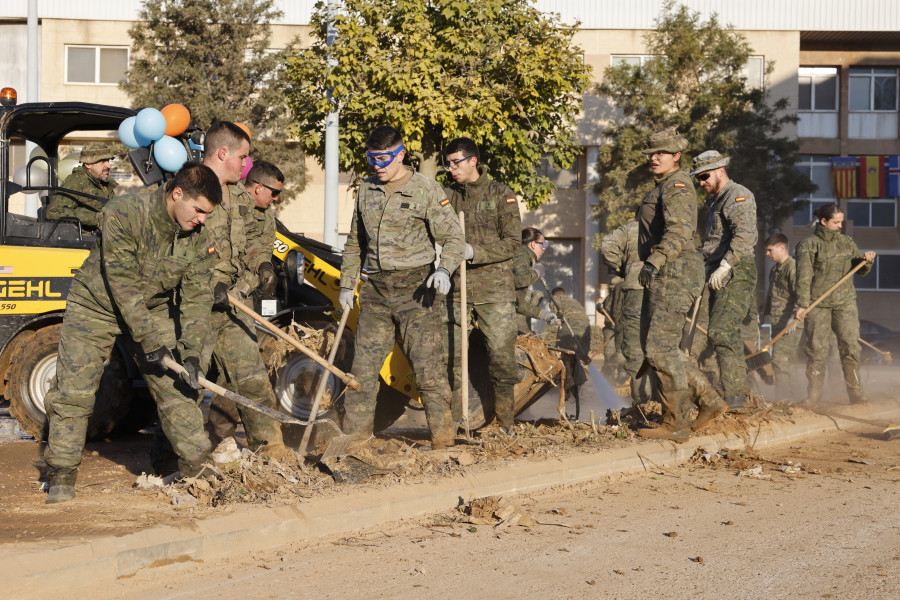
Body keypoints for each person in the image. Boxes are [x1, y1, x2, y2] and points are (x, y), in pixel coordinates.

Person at [43, 163, 222, 504]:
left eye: (207, 214)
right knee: (74, 393)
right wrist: (151, 342)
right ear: (177, 193)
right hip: (96, 305)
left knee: (179, 387)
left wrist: (193, 352)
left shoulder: (200, 238)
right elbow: (123, 286)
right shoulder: (124, 213)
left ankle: (197, 468)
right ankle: (62, 476)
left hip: (152, 309)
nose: (201, 219)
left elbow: (197, 299)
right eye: (198, 210)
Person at [338, 126, 465, 449]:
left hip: (416, 291)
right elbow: (355, 243)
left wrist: (445, 270)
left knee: (428, 371)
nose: (378, 166)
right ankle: (355, 444)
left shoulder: (425, 189)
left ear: (401, 155)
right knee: (361, 375)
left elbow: (453, 238)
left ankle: (443, 442)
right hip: (376, 291)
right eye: (372, 159)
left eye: (384, 159)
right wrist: (346, 285)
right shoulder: (366, 189)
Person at [199, 122, 290, 461]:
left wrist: (261, 264)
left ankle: (272, 449)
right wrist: (209, 284)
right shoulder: (189, 187)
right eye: (243, 157)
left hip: (235, 302)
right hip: (198, 304)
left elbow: (251, 243)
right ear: (224, 153)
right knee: (187, 385)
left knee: (252, 378)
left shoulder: (239, 196)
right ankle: (179, 457)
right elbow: (175, 249)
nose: (246, 164)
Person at [635, 129, 726, 442]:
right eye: (651, 153)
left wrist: (655, 262)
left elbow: (680, 230)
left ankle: (675, 424)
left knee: (658, 349)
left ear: (677, 156)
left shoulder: (675, 184)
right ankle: (710, 401)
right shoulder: (664, 186)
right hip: (672, 270)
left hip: (674, 270)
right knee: (668, 348)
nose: (654, 157)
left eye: (662, 152)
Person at [442, 137, 521, 431]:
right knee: (451, 361)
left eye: (456, 163)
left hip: (494, 291)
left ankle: (505, 426)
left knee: (501, 359)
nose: (451, 169)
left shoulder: (501, 195)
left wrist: (475, 252)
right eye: (448, 164)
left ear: (473, 161)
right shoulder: (445, 196)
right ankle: (454, 427)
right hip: (455, 290)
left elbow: (513, 243)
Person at [692, 150, 758, 413]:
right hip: (715, 271)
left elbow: (744, 236)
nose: (701, 182)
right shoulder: (713, 202)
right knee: (711, 333)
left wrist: (726, 265)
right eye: (698, 178)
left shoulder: (737, 195)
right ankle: (734, 392)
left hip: (736, 270)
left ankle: (737, 397)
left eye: (705, 176)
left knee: (722, 330)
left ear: (720, 170)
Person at [794, 204, 875, 404]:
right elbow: (803, 277)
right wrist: (802, 304)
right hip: (818, 304)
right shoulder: (808, 245)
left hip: (845, 302)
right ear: (824, 221)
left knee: (850, 346)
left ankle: (856, 393)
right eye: (836, 222)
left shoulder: (847, 242)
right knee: (816, 349)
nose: (840, 226)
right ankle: (814, 395)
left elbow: (860, 271)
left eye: (842, 222)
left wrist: (867, 260)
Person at [600, 220, 652, 405]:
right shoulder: (672, 225)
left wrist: (621, 267)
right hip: (667, 291)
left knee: (635, 351)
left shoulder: (632, 228)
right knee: (664, 348)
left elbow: (607, 248)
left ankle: (642, 404)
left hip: (638, 287)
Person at [763, 233, 804, 396]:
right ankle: (794, 398)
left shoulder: (792, 267)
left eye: (770, 250)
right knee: (788, 362)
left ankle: (782, 400)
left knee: (780, 360)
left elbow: (801, 294)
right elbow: (771, 295)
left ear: (782, 248)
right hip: (777, 322)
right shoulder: (775, 270)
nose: (767, 254)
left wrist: (792, 318)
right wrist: (764, 315)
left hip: (790, 323)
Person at [46, 143, 117, 230]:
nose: (108, 166)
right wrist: (96, 218)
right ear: (88, 164)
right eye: (102, 162)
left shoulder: (104, 182)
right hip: (87, 238)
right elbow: (53, 212)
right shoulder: (77, 181)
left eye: (108, 161)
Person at [513, 227, 556, 333]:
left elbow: (518, 302)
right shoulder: (523, 254)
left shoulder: (523, 257)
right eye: (543, 244)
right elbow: (521, 280)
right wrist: (537, 272)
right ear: (533, 244)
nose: (543, 250)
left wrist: (543, 314)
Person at [245, 160, 284, 244]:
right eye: (274, 193)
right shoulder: (230, 205)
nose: (276, 198)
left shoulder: (267, 215)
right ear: (259, 188)